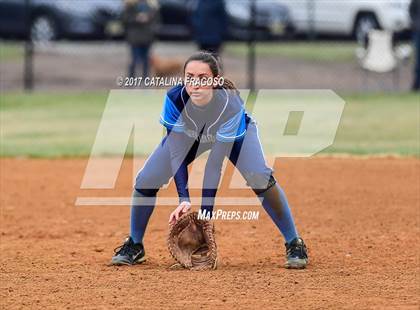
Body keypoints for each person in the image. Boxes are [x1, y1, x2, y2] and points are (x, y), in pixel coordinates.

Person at [111, 51, 309, 269]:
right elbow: (176, 152)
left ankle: (294, 242)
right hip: (191, 137)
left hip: (235, 137)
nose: (195, 84)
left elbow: (215, 164)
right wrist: (183, 199)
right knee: (146, 179)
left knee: (259, 176)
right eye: (189, 77)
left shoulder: (229, 104)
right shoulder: (175, 99)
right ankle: (135, 244)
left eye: (203, 78)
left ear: (215, 81)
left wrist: (205, 215)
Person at [122, 0, 159, 78]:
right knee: (135, 59)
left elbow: (157, 21)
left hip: (147, 37)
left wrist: (149, 20)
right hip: (135, 38)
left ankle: (145, 77)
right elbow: (125, 19)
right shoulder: (130, 5)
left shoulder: (152, 6)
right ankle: (131, 78)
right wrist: (136, 18)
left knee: (146, 59)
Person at [410, 0, 420, 91]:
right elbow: (411, 11)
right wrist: (415, 24)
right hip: (418, 31)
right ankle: (416, 85)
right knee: (418, 60)